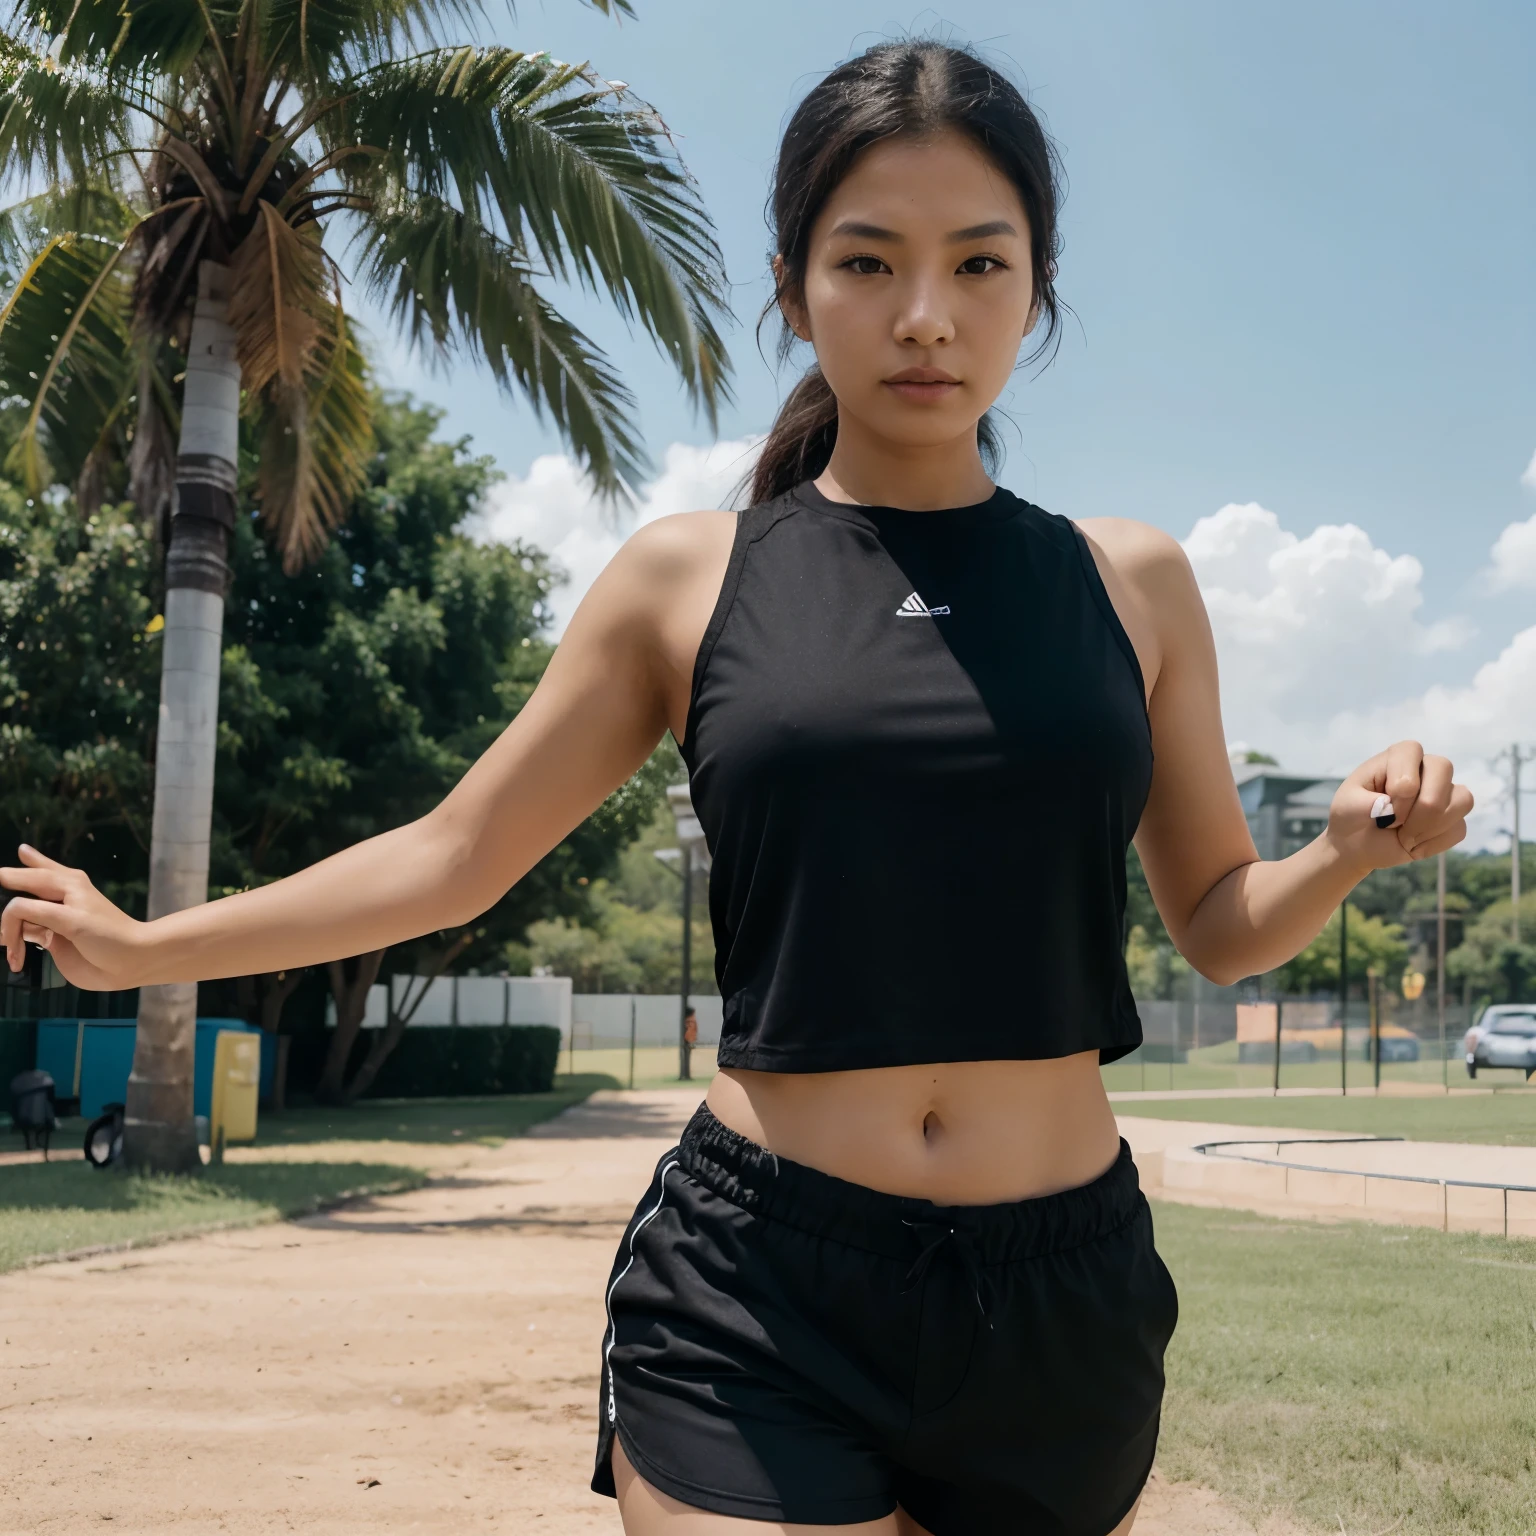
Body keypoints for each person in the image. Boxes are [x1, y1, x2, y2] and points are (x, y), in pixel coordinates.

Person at [0, 39, 1471, 1536]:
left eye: (979, 264)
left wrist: (1351, 845)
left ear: (1039, 287)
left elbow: (1220, 921)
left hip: (1058, 1306)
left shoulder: (1132, 584)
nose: (924, 316)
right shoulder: (687, 583)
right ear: (792, 284)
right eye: (867, 260)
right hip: (758, 1287)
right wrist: (144, 947)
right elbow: (456, 853)